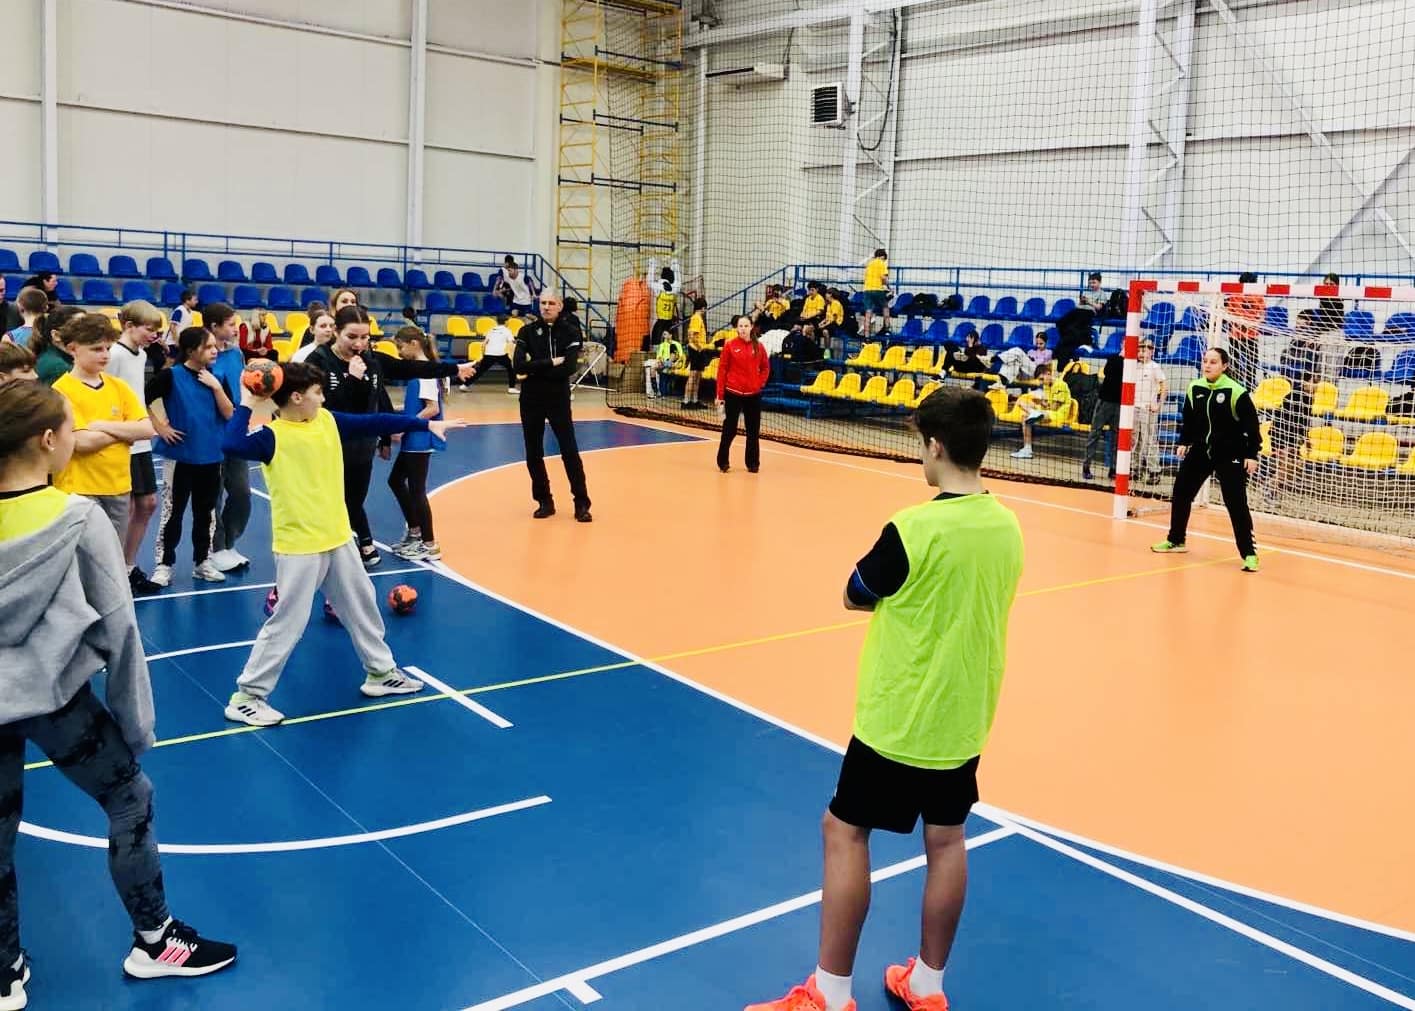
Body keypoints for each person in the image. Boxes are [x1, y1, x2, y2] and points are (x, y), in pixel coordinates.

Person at [746, 386, 1024, 1011]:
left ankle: (829, 992)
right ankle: (927, 984)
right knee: (947, 841)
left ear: (936, 446)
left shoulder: (913, 529)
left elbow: (855, 592)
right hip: (964, 719)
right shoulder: (1007, 526)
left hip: (899, 719)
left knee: (844, 831)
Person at [0, 380, 238, 1008]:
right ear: (48, 441)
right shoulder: (76, 520)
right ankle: (156, 942)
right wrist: (135, 725)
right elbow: (119, 628)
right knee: (131, 800)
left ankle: (3, 973)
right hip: (56, 700)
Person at [219, 361, 465, 727]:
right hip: (300, 544)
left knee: (361, 604)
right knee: (288, 622)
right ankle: (247, 697)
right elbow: (230, 443)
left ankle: (381, 673)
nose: (323, 397)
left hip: (337, 536)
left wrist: (425, 424)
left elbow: (376, 422)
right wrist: (247, 402)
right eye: (317, 392)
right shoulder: (271, 437)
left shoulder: (327, 421)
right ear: (297, 397)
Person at [308, 306, 472, 568]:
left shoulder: (371, 360)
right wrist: (352, 379)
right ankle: (336, 549)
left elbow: (407, 369)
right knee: (329, 501)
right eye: (352, 337)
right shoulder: (319, 361)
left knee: (354, 501)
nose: (359, 344)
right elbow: (325, 409)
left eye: (365, 337)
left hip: (361, 448)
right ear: (336, 332)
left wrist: (453, 369)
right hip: (329, 446)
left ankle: (359, 546)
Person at [1152, 347, 1262, 571]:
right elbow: (1189, 420)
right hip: (1201, 451)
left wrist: (1252, 454)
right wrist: (1184, 442)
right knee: (1181, 492)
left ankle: (1249, 554)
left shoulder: (1236, 391)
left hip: (1230, 454)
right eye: (1205, 361)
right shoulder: (1195, 387)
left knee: (1236, 504)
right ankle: (1176, 540)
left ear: (1224, 366)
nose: (1208, 365)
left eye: (1213, 362)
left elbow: (1251, 426)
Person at [50, 314, 156, 544]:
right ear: (73, 349)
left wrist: (102, 426)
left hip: (118, 485)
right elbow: (82, 443)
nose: (105, 355)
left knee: (113, 553)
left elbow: (147, 430)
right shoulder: (61, 390)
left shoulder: (119, 387)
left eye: (107, 348)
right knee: (84, 555)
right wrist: (125, 433)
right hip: (79, 488)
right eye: (97, 349)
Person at [146, 327, 234, 586]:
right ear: (191, 350)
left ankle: (202, 561)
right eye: (208, 347)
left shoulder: (217, 377)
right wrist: (160, 427)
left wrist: (216, 387)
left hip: (212, 456)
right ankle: (164, 564)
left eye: (214, 346)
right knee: (173, 512)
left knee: (205, 513)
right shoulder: (170, 376)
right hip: (180, 456)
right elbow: (143, 399)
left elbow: (229, 413)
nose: (214, 351)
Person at [104, 301, 167, 595]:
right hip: (123, 440)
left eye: (157, 331)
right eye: (149, 329)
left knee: (147, 504)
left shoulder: (141, 355)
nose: (154, 335)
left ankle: (127, 566)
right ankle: (113, 570)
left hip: (141, 440)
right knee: (124, 507)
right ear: (129, 326)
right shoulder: (114, 355)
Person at [513, 292, 592, 522]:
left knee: (569, 450)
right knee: (533, 452)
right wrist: (550, 362)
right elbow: (518, 365)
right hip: (531, 399)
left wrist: (534, 369)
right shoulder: (526, 331)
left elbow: (568, 367)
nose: (546, 307)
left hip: (558, 398)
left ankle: (581, 503)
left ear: (559, 306)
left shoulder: (571, 332)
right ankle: (544, 501)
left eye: (551, 303)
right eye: (543, 303)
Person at [200, 303, 253, 573]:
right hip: (212, 432)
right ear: (213, 327)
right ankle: (216, 548)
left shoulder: (236, 353)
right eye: (231, 324)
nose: (236, 328)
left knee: (242, 492)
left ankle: (229, 542)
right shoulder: (202, 356)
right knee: (214, 494)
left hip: (237, 430)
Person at [387, 327, 446, 561]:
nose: (399, 352)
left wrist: (405, 425)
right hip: (414, 436)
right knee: (396, 480)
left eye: (400, 347)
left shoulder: (425, 372)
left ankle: (429, 544)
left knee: (417, 490)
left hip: (419, 438)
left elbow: (432, 408)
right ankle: (415, 531)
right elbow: (419, 404)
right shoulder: (419, 371)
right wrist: (398, 410)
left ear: (414, 343)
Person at [715, 315, 771, 474]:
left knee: (753, 430)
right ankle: (723, 461)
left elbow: (765, 368)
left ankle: (753, 463)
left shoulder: (759, 346)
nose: (743, 329)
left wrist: (759, 383)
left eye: (746, 326)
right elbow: (722, 370)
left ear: (751, 327)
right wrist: (720, 395)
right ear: (737, 328)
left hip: (753, 395)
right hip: (733, 393)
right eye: (740, 326)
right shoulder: (729, 345)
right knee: (729, 429)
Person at [1010, 361, 1070, 460]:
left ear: (1049, 374)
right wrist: (1039, 402)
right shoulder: (1046, 385)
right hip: (1047, 412)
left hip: (1058, 415)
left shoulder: (1060, 384)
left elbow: (1054, 408)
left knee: (1028, 414)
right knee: (1023, 409)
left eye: (1042, 379)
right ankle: (1027, 449)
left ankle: (1034, 413)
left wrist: (1040, 406)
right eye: (1040, 380)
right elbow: (1047, 404)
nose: (1041, 382)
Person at [1081, 351, 1123, 480]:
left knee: (1116, 437)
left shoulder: (1134, 363)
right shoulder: (1113, 358)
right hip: (1105, 401)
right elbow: (1108, 372)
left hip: (1120, 404)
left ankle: (1113, 469)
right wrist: (1122, 356)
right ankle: (1086, 466)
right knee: (1095, 433)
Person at [1131, 338, 1167, 485]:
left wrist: (1158, 404)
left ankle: (1154, 471)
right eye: (1139, 350)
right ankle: (1135, 469)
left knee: (1150, 440)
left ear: (1151, 352)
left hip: (1148, 409)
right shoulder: (1135, 367)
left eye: (1144, 350)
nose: (1141, 353)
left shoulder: (1155, 367)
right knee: (1134, 440)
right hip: (1135, 408)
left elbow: (1164, 387)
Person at [1223, 271, 1265, 393]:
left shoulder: (1258, 297)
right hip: (1235, 336)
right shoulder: (1234, 296)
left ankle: (1250, 387)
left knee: (1252, 362)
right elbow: (1228, 313)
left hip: (1252, 336)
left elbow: (1262, 315)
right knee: (1234, 362)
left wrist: (1254, 324)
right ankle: (1233, 386)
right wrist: (1238, 322)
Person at [682, 297, 711, 409]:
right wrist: (699, 347)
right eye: (705, 308)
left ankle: (694, 400)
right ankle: (686, 401)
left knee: (698, 376)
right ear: (703, 308)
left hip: (699, 349)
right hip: (695, 350)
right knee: (693, 375)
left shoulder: (698, 318)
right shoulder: (696, 318)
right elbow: (692, 335)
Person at [861, 249, 890, 337]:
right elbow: (884, 278)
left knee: (868, 313)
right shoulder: (881, 263)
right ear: (882, 256)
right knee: (885, 307)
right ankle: (887, 328)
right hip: (877, 289)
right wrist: (889, 288)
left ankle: (867, 336)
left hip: (867, 290)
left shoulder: (869, 264)